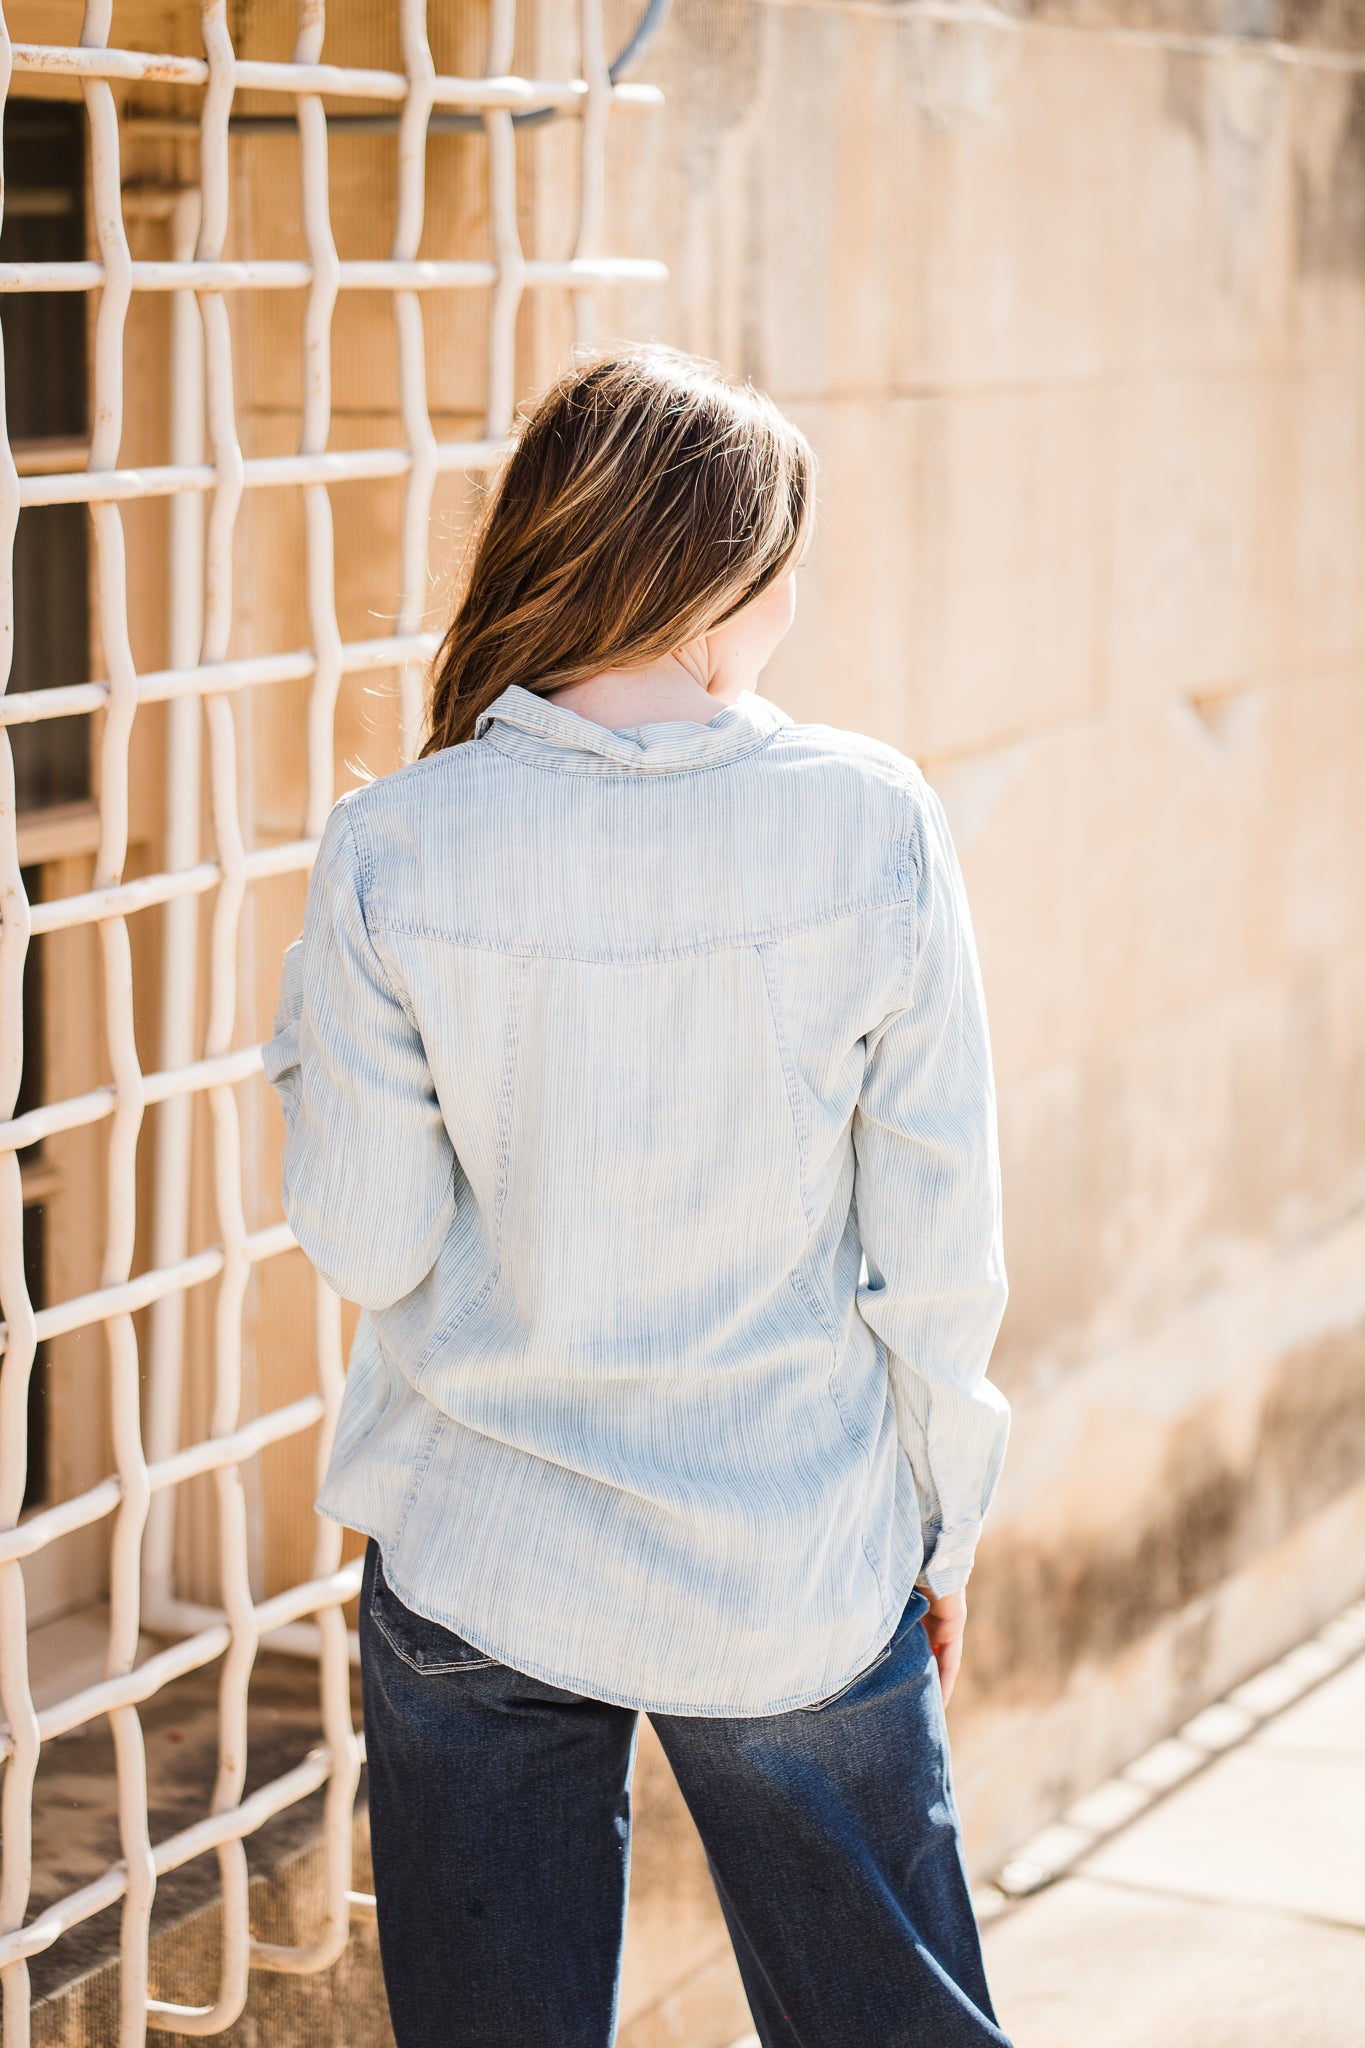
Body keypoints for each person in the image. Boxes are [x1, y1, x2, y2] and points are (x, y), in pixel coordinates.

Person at [263, 342, 1013, 2048]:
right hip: (794, 1553)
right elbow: (935, 1236)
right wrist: (942, 1518)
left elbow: (367, 1239)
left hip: (479, 1550)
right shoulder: (868, 818)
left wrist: (316, 1036)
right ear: (718, 579)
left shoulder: (396, 843)